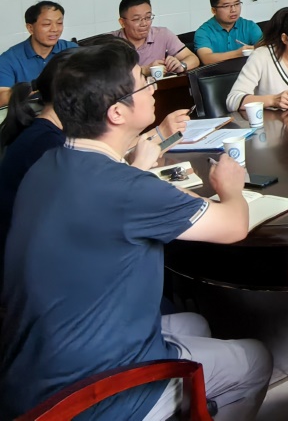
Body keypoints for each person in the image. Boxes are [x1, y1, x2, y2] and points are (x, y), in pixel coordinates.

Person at [0, 41, 271, 421]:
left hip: (31, 376)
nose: (153, 87)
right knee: (255, 360)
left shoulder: (47, 164)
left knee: (195, 323)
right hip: (92, 397)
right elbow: (234, 226)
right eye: (144, 82)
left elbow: (108, 203)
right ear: (116, 112)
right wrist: (231, 188)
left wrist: (136, 169)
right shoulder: (127, 188)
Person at [0, 48, 188, 285]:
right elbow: (99, 209)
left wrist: (155, 137)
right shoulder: (50, 145)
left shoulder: (49, 131)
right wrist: (138, 168)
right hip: (42, 274)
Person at [0, 0, 77, 108]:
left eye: (59, 23)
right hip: (28, 115)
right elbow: (1, 98)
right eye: (47, 24)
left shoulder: (72, 50)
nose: (55, 29)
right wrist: (35, 86)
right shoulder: (9, 59)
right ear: (30, 28)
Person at [111, 0, 199, 72]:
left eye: (148, 17)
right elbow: (106, 76)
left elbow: (193, 58)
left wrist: (181, 66)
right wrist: (143, 70)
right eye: (137, 19)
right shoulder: (110, 42)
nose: (144, 23)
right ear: (122, 22)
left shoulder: (162, 34)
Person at [194, 0, 263, 65]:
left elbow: (266, 50)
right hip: (217, 72)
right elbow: (206, 59)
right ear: (214, 10)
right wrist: (238, 53)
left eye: (237, 4)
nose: (233, 10)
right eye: (226, 6)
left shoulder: (250, 26)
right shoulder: (203, 32)